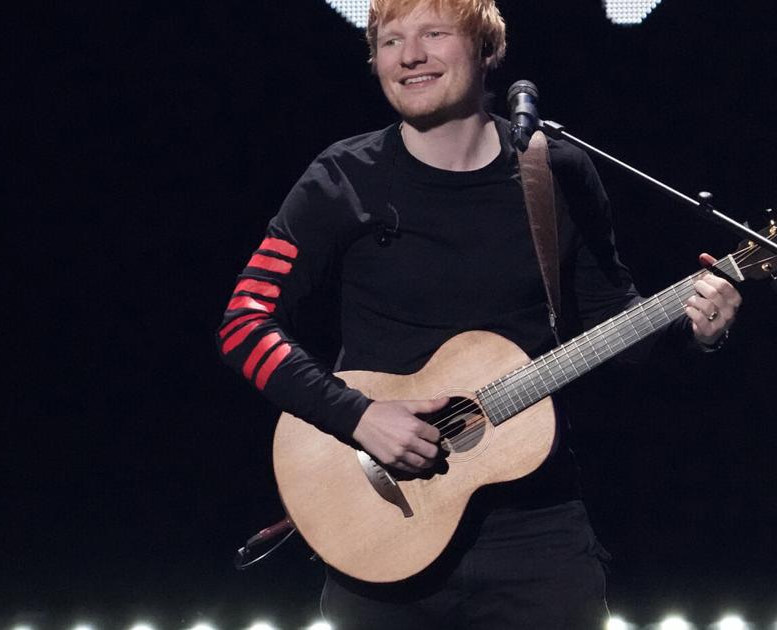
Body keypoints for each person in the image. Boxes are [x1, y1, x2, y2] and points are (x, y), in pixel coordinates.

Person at [217, 0, 741, 627]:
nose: (409, 56)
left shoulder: (557, 172)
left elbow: (617, 330)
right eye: (390, 41)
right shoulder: (342, 178)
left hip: (537, 531)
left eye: (434, 34)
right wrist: (358, 417)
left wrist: (695, 329)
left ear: (488, 51)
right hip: (382, 523)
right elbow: (244, 322)